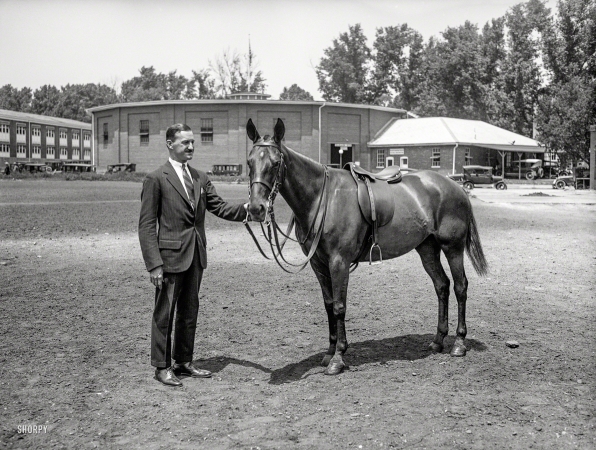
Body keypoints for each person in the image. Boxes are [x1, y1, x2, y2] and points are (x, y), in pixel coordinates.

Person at [138, 123, 249, 387]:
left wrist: (247, 210)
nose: (190, 147)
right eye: (184, 142)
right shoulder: (156, 179)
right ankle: (162, 367)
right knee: (164, 313)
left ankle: (183, 362)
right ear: (169, 144)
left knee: (189, 311)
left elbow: (219, 207)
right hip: (169, 259)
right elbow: (146, 225)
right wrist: (154, 264)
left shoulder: (200, 177)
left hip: (195, 256)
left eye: (192, 142)